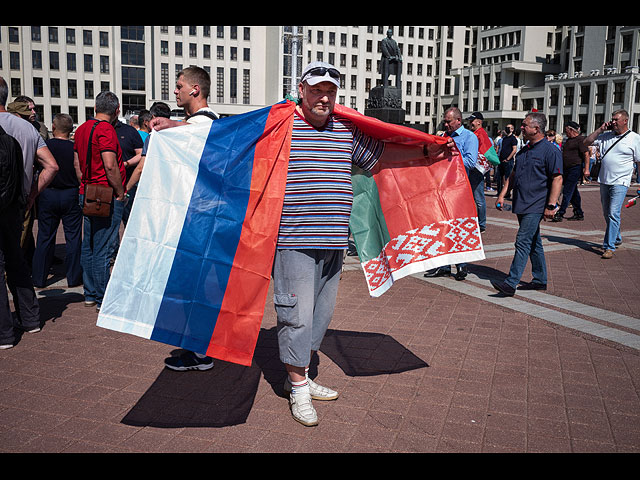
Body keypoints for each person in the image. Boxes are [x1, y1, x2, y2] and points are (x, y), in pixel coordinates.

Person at [148, 68, 219, 372]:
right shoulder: (201, 123)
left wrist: (173, 124)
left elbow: (197, 131)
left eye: (178, 87)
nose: (174, 92)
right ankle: (198, 346)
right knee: (196, 287)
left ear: (194, 90)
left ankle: (201, 353)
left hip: (199, 220)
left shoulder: (203, 123)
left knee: (195, 287)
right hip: (202, 218)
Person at [0, 76, 58, 347]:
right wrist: (31, 193)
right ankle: (31, 319)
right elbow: (52, 166)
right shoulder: (26, 128)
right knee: (16, 260)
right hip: (17, 204)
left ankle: (4, 333)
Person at [491, 112, 563, 296]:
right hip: (521, 203)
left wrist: (551, 205)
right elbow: (513, 175)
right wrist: (502, 195)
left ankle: (511, 283)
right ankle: (540, 279)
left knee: (522, 240)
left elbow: (557, 178)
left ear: (536, 128)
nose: (521, 128)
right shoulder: (525, 149)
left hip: (536, 205)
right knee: (533, 242)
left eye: (524, 125)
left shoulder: (550, 150)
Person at [74, 91, 127, 312]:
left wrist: (86, 185)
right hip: (106, 193)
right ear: (117, 111)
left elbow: (77, 164)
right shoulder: (106, 130)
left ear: (95, 107)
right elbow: (110, 164)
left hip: (86, 191)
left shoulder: (82, 129)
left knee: (89, 244)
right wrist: (120, 191)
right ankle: (102, 296)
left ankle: (89, 292)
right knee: (103, 247)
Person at [424, 107, 479, 281]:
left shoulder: (470, 137)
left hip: (459, 189)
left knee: (457, 227)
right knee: (442, 226)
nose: (446, 124)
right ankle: (444, 265)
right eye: (445, 121)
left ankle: (462, 266)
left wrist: (454, 150)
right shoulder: (443, 136)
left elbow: (470, 162)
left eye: (449, 121)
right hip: (442, 187)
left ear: (458, 121)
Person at [32, 113, 82, 288]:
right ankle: (74, 277)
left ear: (53, 127)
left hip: (49, 193)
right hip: (71, 193)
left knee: (45, 236)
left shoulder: (45, 146)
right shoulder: (75, 147)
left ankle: (39, 276)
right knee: (74, 237)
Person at [584, 109, 640, 259]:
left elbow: (639, 162)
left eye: (616, 119)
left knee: (613, 212)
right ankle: (617, 237)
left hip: (621, 181)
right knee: (607, 213)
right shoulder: (605, 136)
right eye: (612, 119)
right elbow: (586, 142)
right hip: (604, 179)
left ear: (625, 121)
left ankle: (609, 247)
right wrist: (600, 129)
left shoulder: (635, 138)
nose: (613, 122)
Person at [552, 121, 590, 222]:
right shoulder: (569, 140)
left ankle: (561, 213)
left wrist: (586, 169)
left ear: (571, 130)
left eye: (566, 130)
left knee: (567, 190)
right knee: (573, 192)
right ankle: (579, 213)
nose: (565, 132)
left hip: (575, 168)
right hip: (567, 168)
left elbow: (586, 154)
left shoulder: (581, 140)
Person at [466, 111, 490, 230]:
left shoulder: (479, 134)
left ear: (479, 122)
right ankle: (479, 222)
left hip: (476, 169)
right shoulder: (477, 133)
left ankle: (481, 224)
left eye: (472, 121)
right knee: (475, 197)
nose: (470, 123)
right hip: (475, 168)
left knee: (478, 198)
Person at [496, 123, 518, 198]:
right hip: (501, 160)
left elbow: (514, 149)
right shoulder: (504, 138)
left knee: (507, 178)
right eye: (506, 127)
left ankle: (507, 193)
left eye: (508, 128)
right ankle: (499, 192)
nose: (506, 129)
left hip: (508, 161)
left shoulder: (513, 139)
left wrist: (508, 158)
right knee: (499, 177)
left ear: (512, 129)